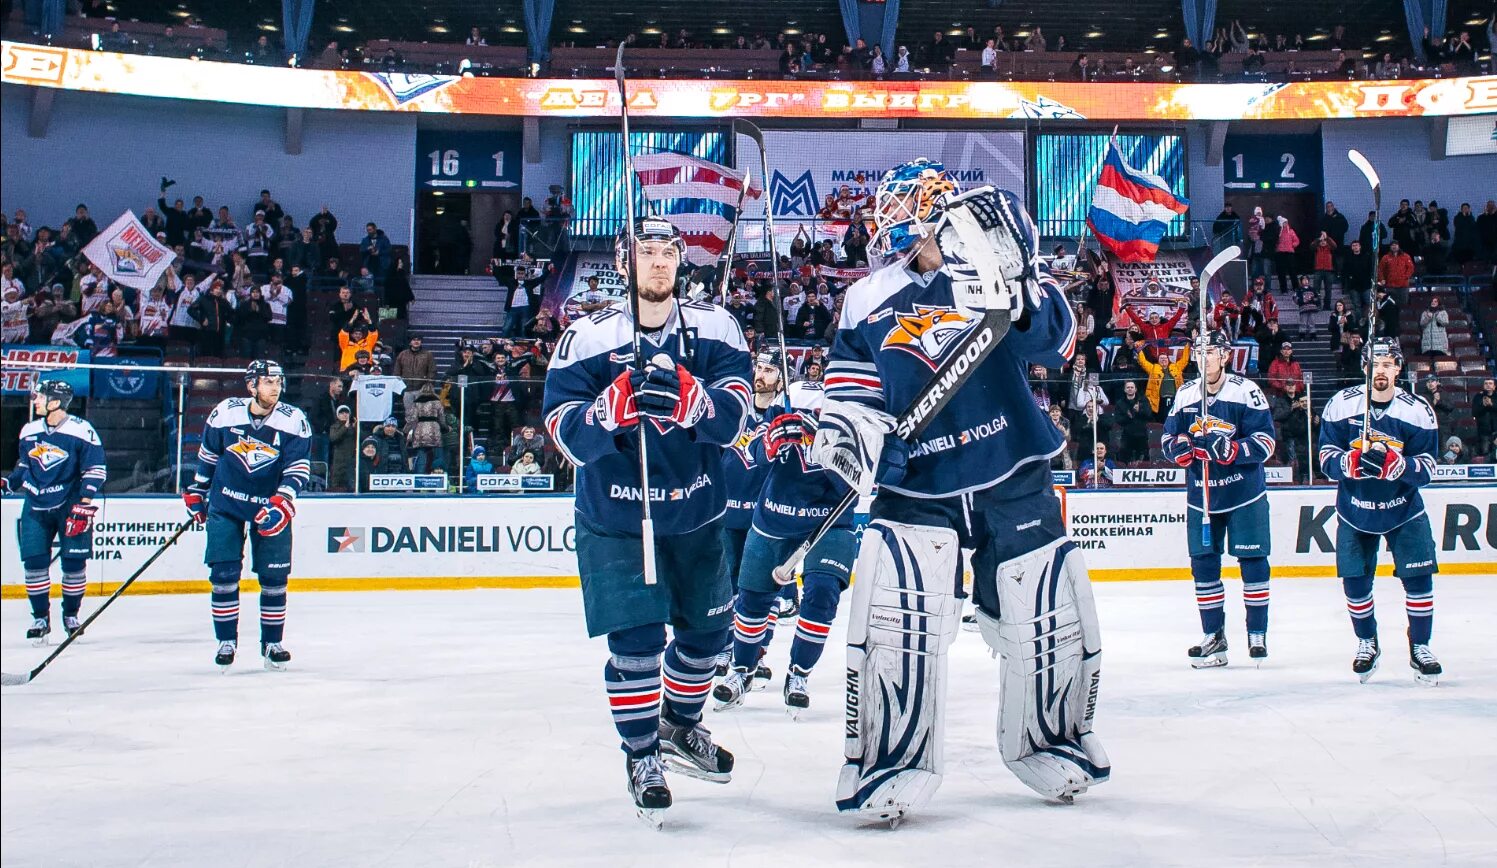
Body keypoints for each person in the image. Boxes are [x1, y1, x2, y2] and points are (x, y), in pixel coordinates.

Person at [814, 159, 1107, 822]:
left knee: (1045, 612)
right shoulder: (866, 296)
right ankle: (888, 758)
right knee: (897, 621)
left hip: (1010, 463)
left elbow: (1054, 343)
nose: (884, 218)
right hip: (917, 482)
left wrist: (1020, 285)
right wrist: (860, 440)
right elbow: (852, 392)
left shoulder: (987, 268)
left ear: (931, 206)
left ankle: (1052, 740)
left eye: (898, 204)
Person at [540, 216, 751, 825]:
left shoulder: (716, 326)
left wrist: (701, 403)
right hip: (617, 516)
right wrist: (603, 413)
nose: (659, 262)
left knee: (709, 640)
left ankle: (679, 727)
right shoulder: (586, 337)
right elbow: (563, 430)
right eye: (646, 251)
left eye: (668, 252)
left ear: (681, 261)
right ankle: (640, 755)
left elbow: (737, 415)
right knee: (636, 644)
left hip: (697, 510)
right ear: (624, 260)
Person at [713, 378, 854, 716]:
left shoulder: (853, 405)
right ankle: (742, 670)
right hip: (775, 516)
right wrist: (771, 443)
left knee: (822, 595)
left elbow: (866, 472)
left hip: (830, 519)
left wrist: (826, 440)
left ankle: (799, 673)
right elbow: (752, 455)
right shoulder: (785, 403)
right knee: (752, 601)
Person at [1316, 338, 1442, 684]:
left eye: (1388, 364)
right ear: (1364, 367)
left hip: (1404, 510)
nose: (1381, 371)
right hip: (1355, 510)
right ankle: (1366, 642)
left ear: (1399, 367)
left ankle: (1421, 646)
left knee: (1418, 580)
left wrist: (1400, 467)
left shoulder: (1417, 410)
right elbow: (1325, 457)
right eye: (1375, 364)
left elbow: (1429, 467)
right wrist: (1349, 462)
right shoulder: (1341, 405)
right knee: (1355, 582)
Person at [182, 361, 311, 671]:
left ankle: (272, 643)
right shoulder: (226, 411)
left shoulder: (294, 420)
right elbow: (209, 456)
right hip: (225, 503)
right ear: (252, 385)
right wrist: (198, 490)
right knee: (224, 575)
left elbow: (298, 469)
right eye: (268, 382)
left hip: (270, 508)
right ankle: (226, 641)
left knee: (274, 578)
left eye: (278, 381)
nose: (276, 387)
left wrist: (282, 501)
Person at [1162, 331, 1277, 666]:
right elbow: (1170, 437)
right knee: (1203, 565)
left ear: (1225, 356)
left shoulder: (1247, 392)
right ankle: (1214, 636)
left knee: (1253, 562)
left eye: (1210, 351)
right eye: (1198, 351)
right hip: (1202, 497)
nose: (1203, 357)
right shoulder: (1185, 394)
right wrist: (1178, 450)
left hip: (1244, 494)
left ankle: (1257, 634)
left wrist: (1233, 450)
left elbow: (1266, 442)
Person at [2, 380, 105, 643]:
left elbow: (95, 470)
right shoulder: (29, 430)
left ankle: (71, 615)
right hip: (35, 504)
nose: (35, 400)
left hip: (70, 504)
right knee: (34, 563)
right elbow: (25, 466)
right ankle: (40, 618)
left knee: (73, 564)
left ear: (56, 402)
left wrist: (84, 502)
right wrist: (8, 482)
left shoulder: (82, 430)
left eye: (40, 396)